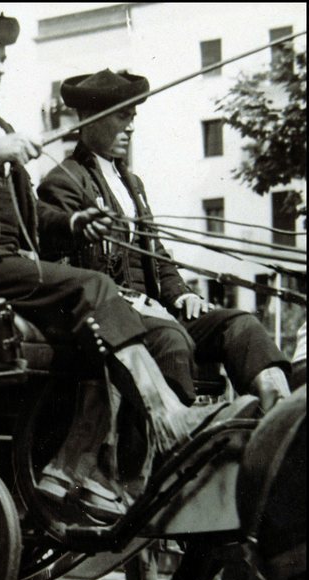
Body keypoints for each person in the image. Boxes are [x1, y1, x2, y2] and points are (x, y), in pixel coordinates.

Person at [0, 9, 259, 518]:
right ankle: (166, 416)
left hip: (7, 265)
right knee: (94, 288)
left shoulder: (0, 124)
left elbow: (26, 213)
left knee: (90, 328)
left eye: (3, 59)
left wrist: (74, 221)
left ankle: (69, 468)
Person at [37, 69, 291, 414]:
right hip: (115, 324)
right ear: (88, 119)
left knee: (242, 325)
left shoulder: (132, 182)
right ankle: (175, 448)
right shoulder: (63, 183)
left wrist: (183, 293)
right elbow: (74, 277)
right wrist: (137, 304)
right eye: (122, 117)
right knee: (172, 340)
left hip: (159, 312)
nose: (130, 127)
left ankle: (281, 424)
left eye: (133, 117)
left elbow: (156, 255)